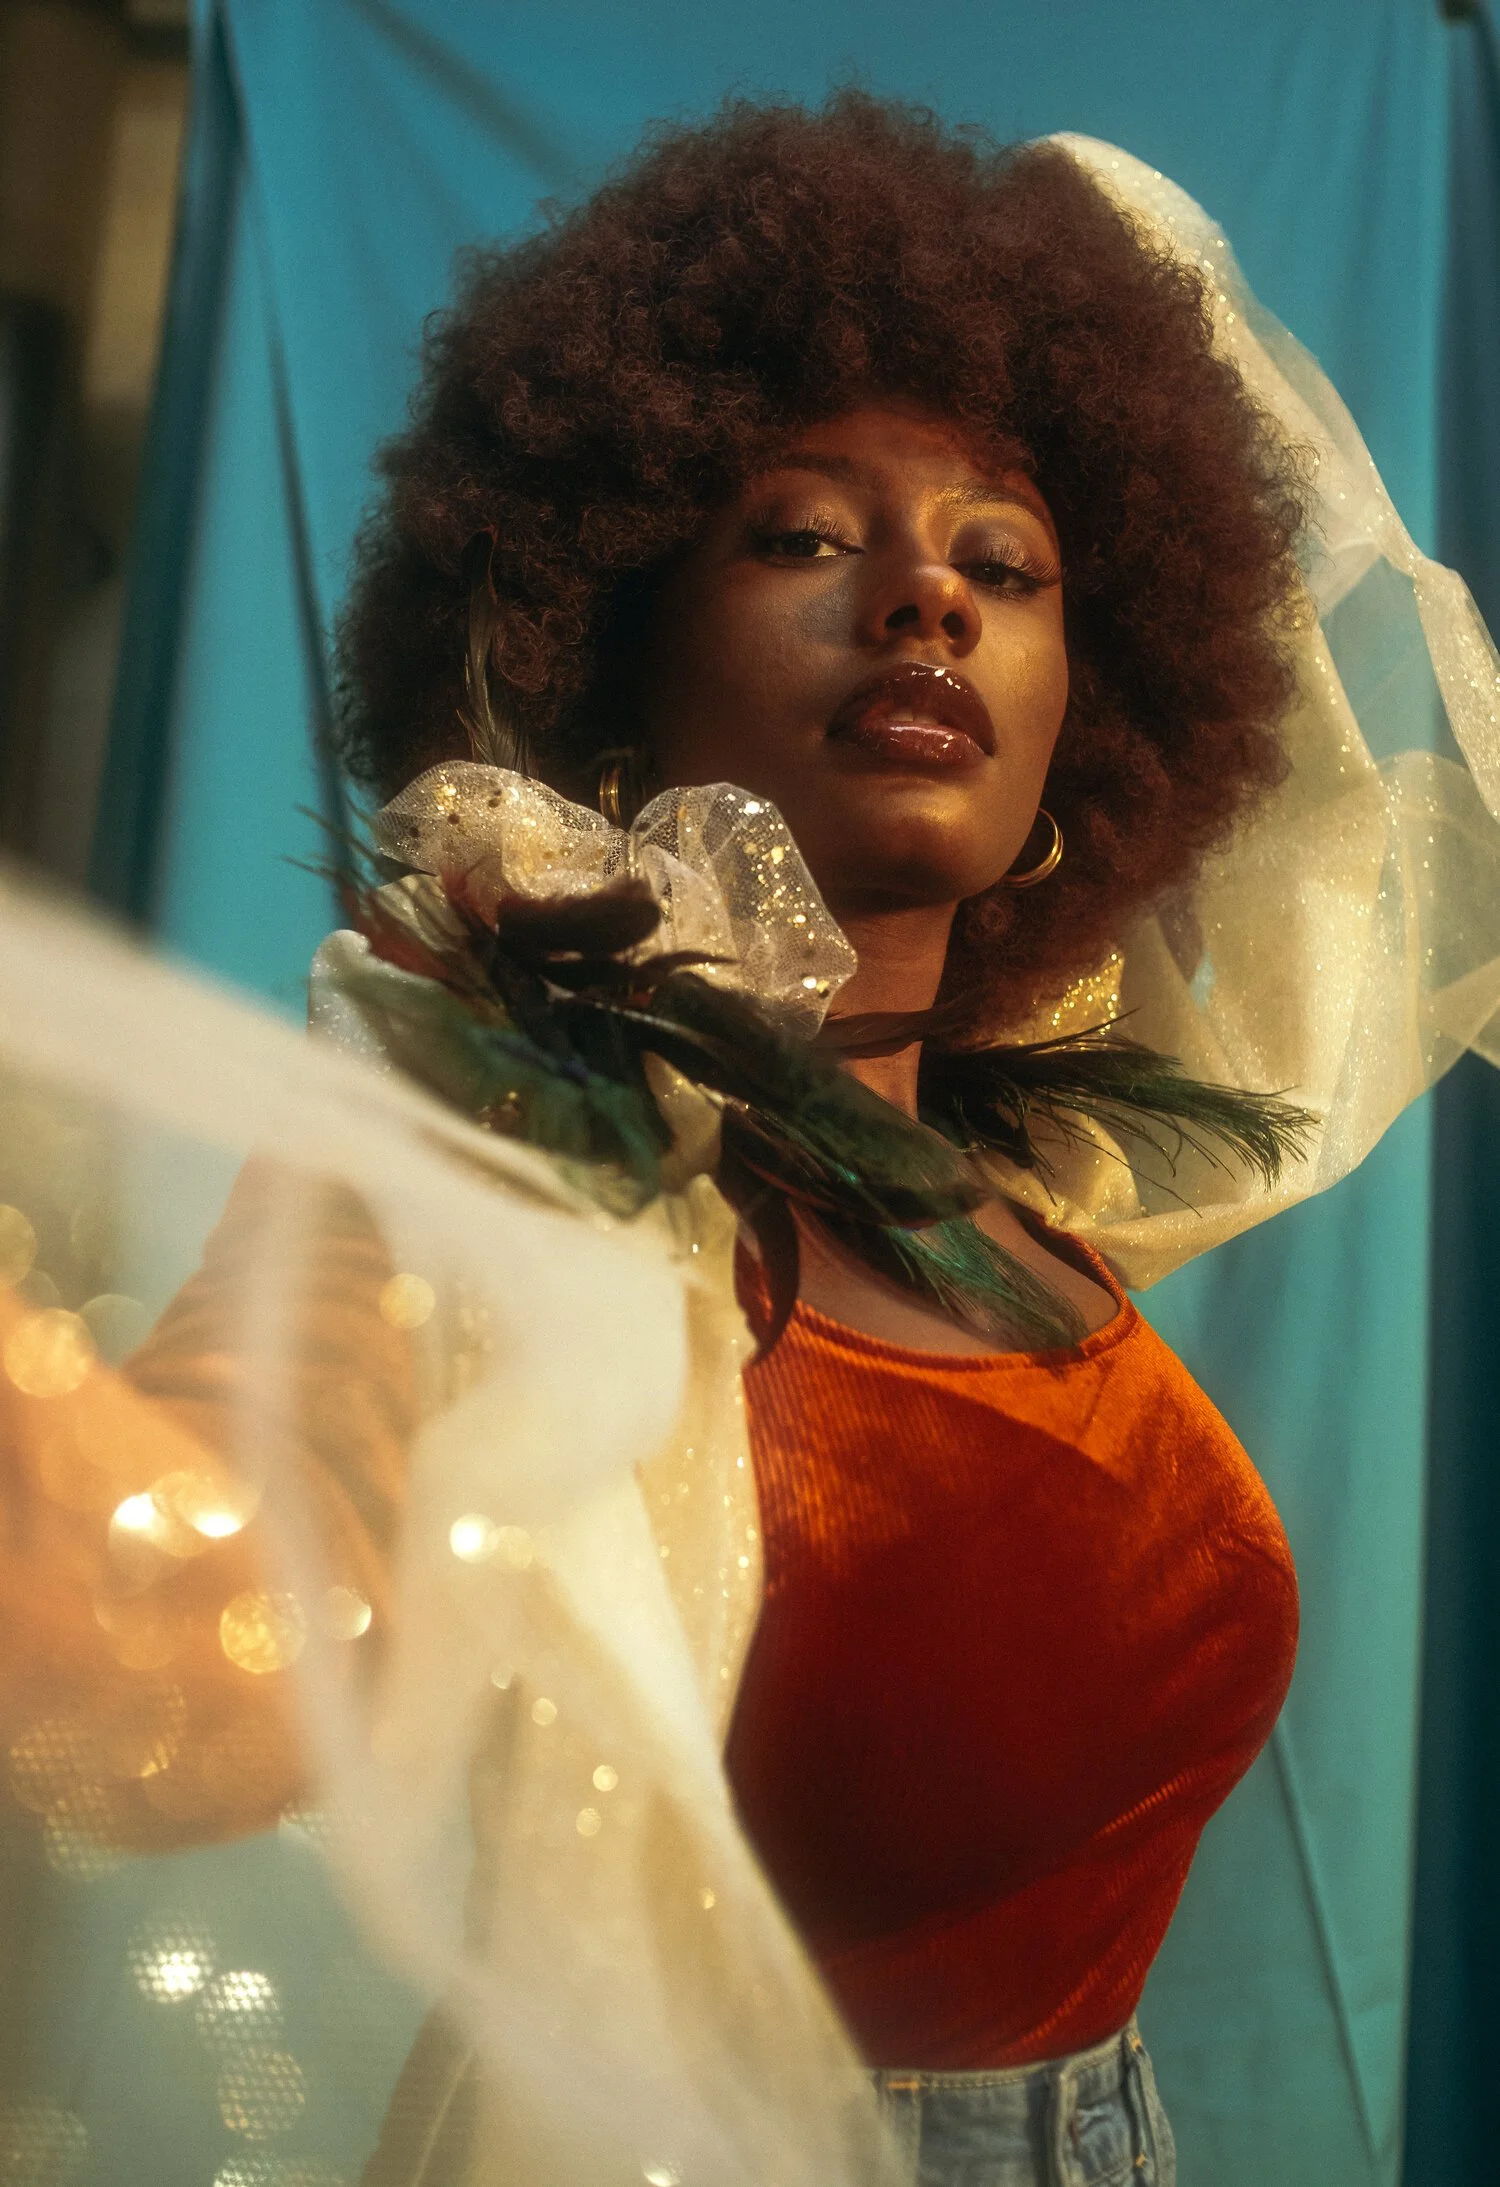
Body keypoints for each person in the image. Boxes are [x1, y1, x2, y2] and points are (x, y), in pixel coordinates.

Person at [3, 92, 1499, 2187]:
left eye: (1011, 566)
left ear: (1101, 714)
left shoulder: (1050, 1202)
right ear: (605, 639)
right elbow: (208, 1634)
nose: (927, 603)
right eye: (807, 536)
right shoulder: (477, 1148)